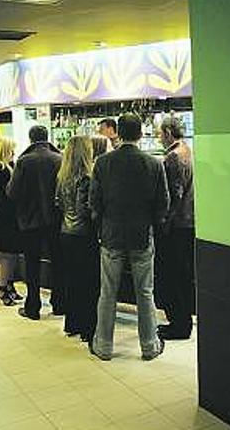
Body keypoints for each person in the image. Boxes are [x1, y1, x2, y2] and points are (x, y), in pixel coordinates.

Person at [89, 113, 168, 361]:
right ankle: (149, 345)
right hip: (142, 235)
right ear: (141, 134)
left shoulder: (102, 163)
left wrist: (102, 223)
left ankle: (103, 346)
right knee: (145, 292)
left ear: (118, 134)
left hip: (111, 235)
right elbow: (163, 204)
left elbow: (94, 202)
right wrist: (153, 224)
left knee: (108, 291)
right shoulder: (154, 164)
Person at [7, 125, 63, 320]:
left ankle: (33, 307)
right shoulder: (59, 159)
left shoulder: (24, 161)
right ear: (47, 138)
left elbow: (12, 192)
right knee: (58, 262)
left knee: (32, 265)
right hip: (55, 220)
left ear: (31, 139)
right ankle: (59, 303)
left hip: (30, 221)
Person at [154, 116, 195, 340]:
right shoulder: (189, 151)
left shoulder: (172, 157)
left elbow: (173, 195)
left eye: (160, 133)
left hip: (176, 226)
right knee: (184, 276)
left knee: (174, 276)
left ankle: (179, 324)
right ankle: (182, 321)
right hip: (189, 223)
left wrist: (163, 223)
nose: (159, 137)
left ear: (169, 132)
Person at [56, 135, 98, 341]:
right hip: (83, 236)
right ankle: (86, 327)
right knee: (87, 283)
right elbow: (85, 209)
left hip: (66, 232)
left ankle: (72, 322)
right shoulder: (86, 178)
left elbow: (58, 203)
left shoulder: (62, 176)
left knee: (71, 280)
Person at [0, 137, 23, 305]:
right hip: (5, 217)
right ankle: (2, 288)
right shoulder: (1, 170)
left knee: (10, 253)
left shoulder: (4, 168)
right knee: (6, 254)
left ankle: (8, 285)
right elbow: (6, 195)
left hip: (4, 215)